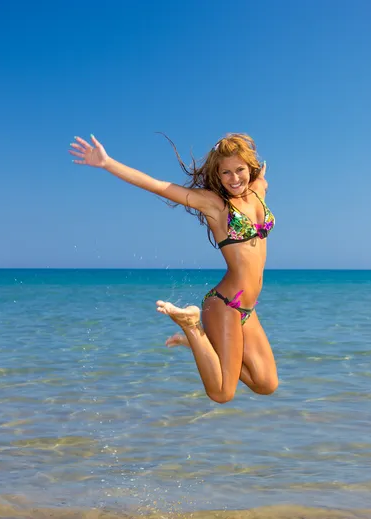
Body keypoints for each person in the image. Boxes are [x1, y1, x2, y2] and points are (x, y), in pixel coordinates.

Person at [69, 133, 278, 403]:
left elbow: (262, 174)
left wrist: (253, 163)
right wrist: (107, 162)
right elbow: (158, 185)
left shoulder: (258, 190)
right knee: (222, 393)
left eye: (239, 170)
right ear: (217, 174)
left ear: (249, 167)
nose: (234, 178)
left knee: (266, 384)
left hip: (247, 309)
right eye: (225, 172)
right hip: (225, 305)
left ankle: (198, 343)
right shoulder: (215, 205)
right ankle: (192, 326)